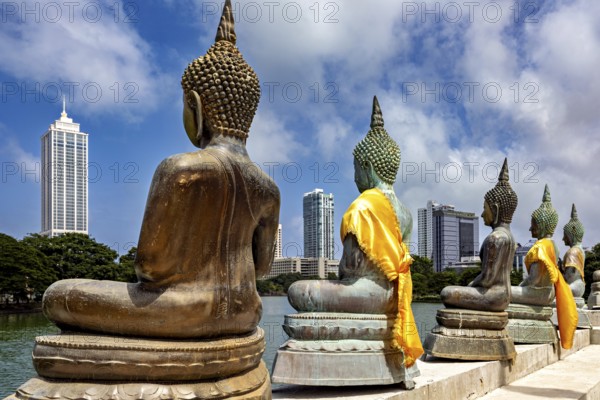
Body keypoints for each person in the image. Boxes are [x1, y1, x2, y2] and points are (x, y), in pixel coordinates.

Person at [42, 1, 280, 339]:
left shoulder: (180, 169)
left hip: (182, 310)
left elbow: (151, 265)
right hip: (246, 311)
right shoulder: (268, 189)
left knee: (59, 294)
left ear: (195, 106)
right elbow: (263, 268)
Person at [288, 96, 423, 367]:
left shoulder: (363, 206)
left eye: (355, 169)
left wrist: (339, 278)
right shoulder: (406, 212)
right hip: (395, 297)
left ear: (366, 166)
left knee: (299, 292)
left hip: (367, 294)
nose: (354, 178)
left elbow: (349, 269)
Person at [441, 158, 517, 312]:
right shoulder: (510, 237)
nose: (482, 214)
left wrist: (470, 285)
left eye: (485, 208)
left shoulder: (495, 238)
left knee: (447, 292)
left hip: (493, 296)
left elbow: (487, 278)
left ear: (495, 209)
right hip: (504, 295)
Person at [511, 184, 577, 349]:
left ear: (540, 224)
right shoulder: (553, 245)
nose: (530, 228)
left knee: (503, 293)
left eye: (532, 224)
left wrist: (518, 286)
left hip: (538, 292)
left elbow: (534, 279)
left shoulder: (540, 246)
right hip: (548, 293)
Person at [562, 204, 586, 300]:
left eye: (565, 235)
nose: (563, 239)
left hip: (573, 288)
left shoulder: (573, 252)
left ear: (571, 235)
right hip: (579, 287)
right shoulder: (579, 250)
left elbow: (569, 277)